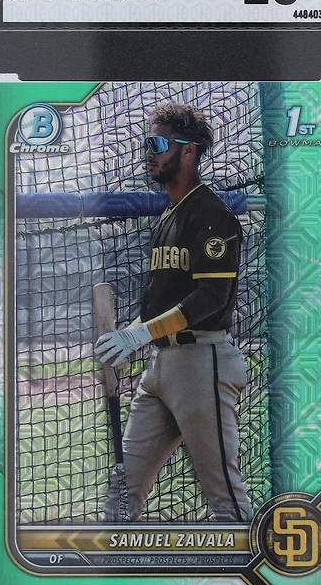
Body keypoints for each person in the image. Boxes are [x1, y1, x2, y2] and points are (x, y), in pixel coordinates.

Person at [95, 103, 252, 522]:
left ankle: (250, 564)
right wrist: (131, 335)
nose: (149, 152)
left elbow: (211, 297)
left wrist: (140, 334)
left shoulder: (212, 215)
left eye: (158, 143)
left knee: (225, 499)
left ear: (188, 151)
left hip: (202, 363)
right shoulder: (168, 215)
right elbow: (162, 301)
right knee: (123, 491)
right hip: (160, 366)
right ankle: (112, 563)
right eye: (148, 143)